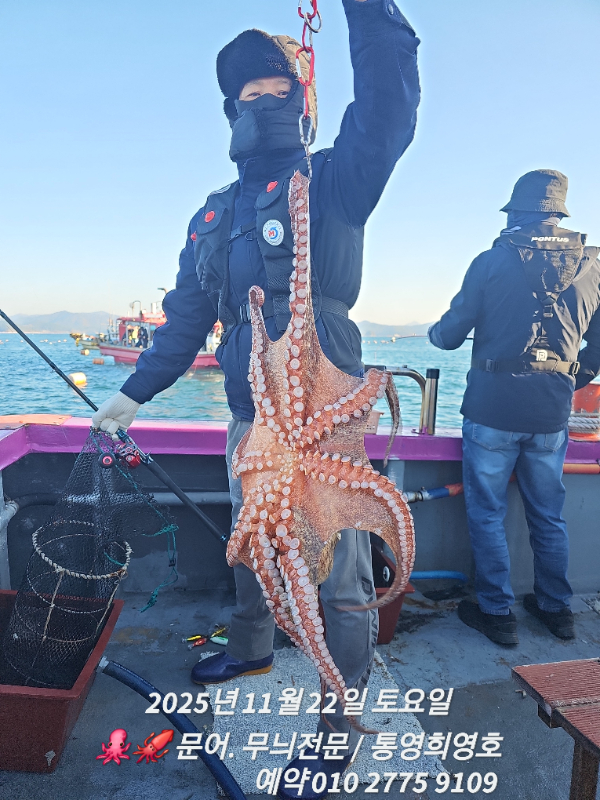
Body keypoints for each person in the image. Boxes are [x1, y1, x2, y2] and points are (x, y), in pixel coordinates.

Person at [93, 2, 419, 794]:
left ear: (302, 104)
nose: (264, 102)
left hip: (325, 427)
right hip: (251, 424)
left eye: (280, 91)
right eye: (250, 94)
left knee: (339, 579)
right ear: (230, 110)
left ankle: (340, 723)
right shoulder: (213, 216)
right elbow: (184, 319)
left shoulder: (337, 180)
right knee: (251, 545)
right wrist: (132, 394)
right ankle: (250, 648)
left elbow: (389, 104)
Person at [428, 169, 600, 646]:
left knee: (487, 513)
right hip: (551, 412)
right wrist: (572, 378)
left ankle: (497, 614)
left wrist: (434, 334)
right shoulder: (594, 264)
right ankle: (557, 610)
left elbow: (448, 335)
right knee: (548, 515)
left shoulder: (491, 260)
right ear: (559, 213)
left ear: (516, 213)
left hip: (492, 409)